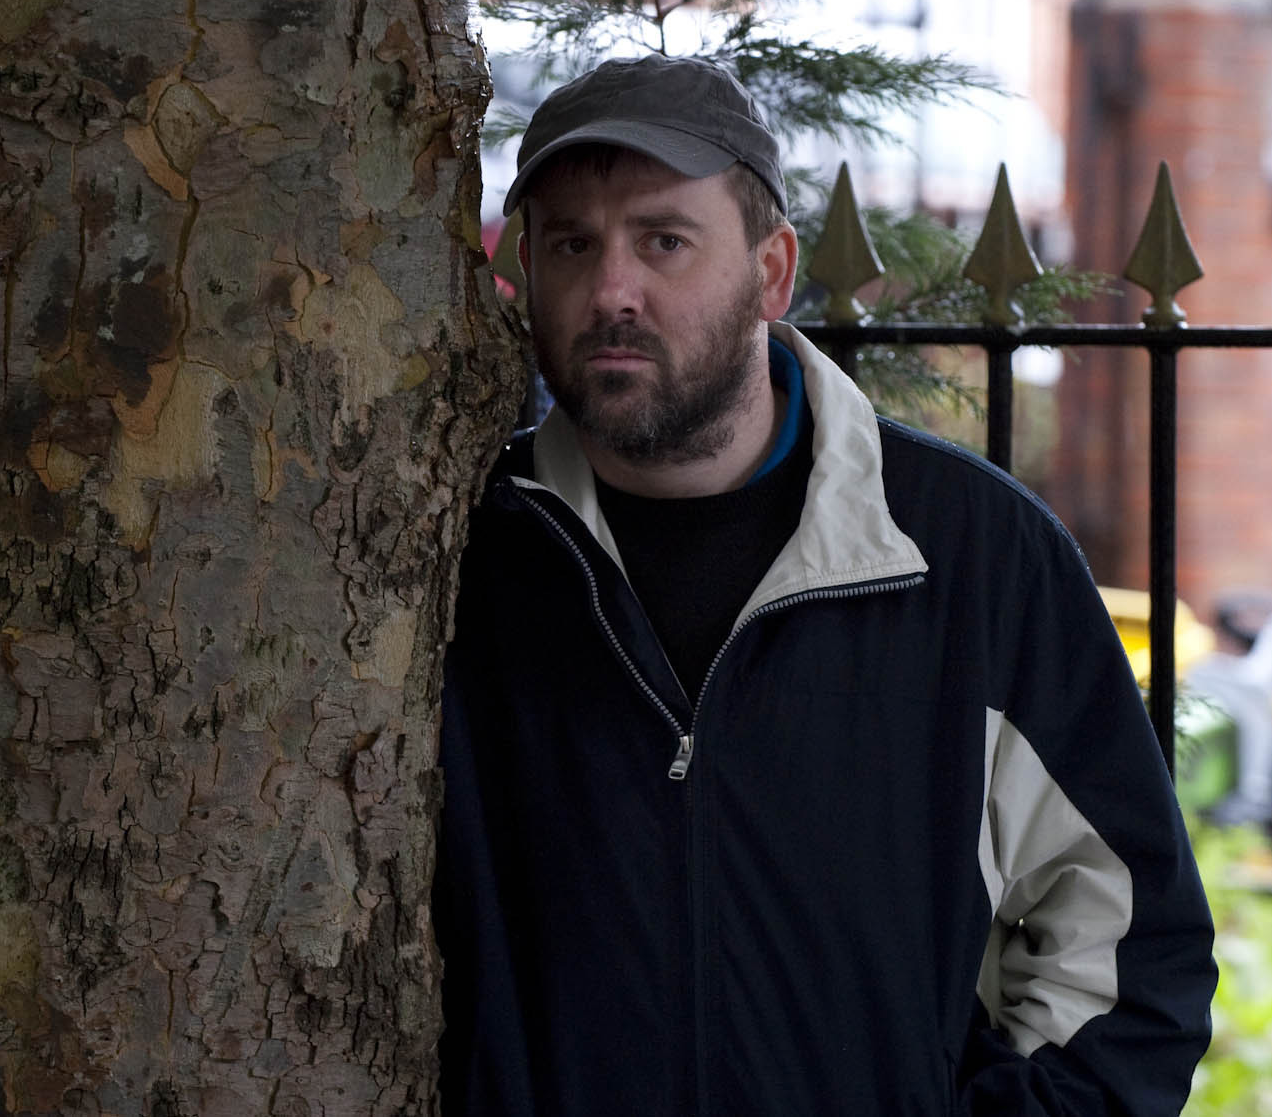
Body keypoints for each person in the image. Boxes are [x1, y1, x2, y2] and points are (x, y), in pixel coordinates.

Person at [435, 54, 1217, 1117]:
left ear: (771, 271)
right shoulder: (463, 553)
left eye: (662, 240)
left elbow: (1130, 942)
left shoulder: (968, 555)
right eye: (572, 244)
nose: (610, 289)